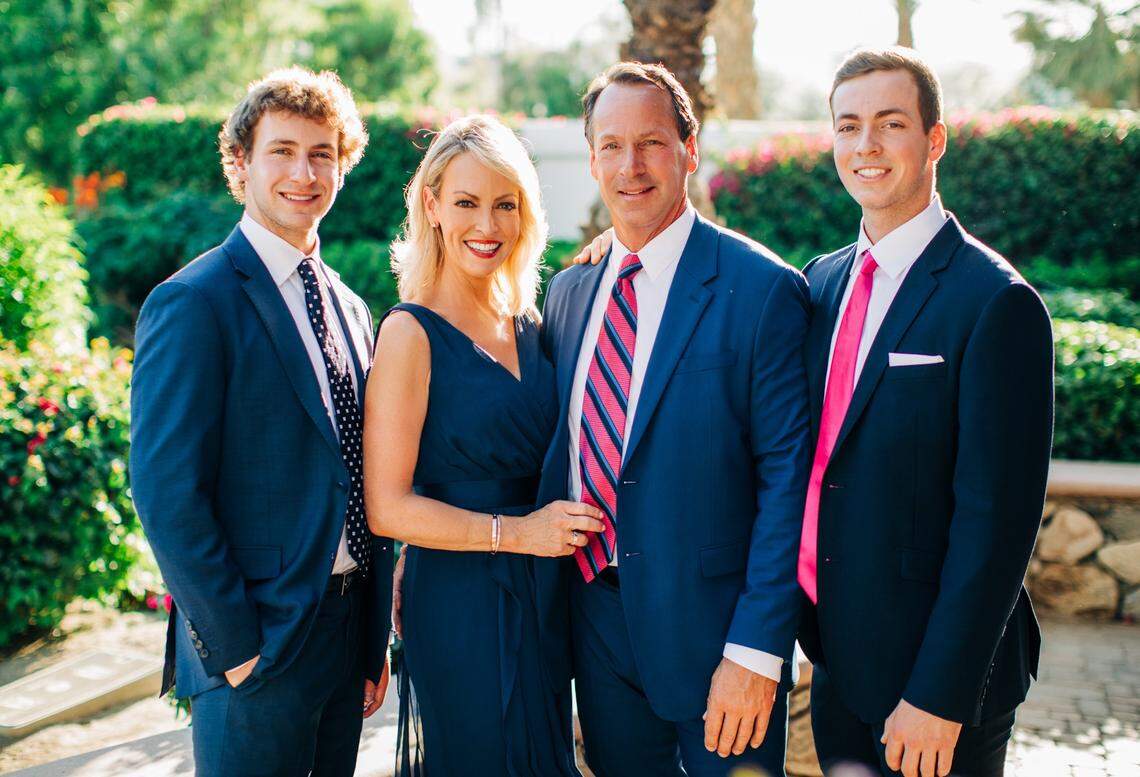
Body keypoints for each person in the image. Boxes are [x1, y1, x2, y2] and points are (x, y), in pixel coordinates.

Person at [535, 62, 812, 777]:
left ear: (690, 149)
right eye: (612, 145)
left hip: (719, 638)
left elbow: (789, 483)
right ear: (591, 155)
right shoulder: (569, 294)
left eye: (652, 143)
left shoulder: (763, 290)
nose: (631, 166)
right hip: (596, 625)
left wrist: (755, 651)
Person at [796, 47, 1054, 777]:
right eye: (848, 127)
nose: (866, 146)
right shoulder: (821, 283)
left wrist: (940, 694)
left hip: (937, 686)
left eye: (890, 123)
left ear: (934, 140)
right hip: (838, 661)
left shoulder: (996, 302)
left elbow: (997, 525)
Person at [130, 67, 392, 776]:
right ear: (240, 162)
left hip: (346, 637)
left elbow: (356, 473)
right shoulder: (193, 301)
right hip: (258, 646)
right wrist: (238, 647)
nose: (303, 172)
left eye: (323, 153)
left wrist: (371, 641)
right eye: (282, 151)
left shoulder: (351, 307)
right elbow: (164, 491)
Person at [363, 114, 604, 776]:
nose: (487, 225)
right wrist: (517, 533)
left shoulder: (532, 322)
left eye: (505, 204)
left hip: (545, 590)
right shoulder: (409, 333)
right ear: (433, 206)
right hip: (463, 600)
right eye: (467, 202)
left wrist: (617, 249)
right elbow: (387, 507)